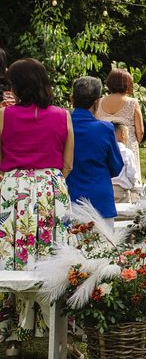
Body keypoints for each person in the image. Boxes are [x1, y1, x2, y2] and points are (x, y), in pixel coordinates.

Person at [0, 58, 73, 345]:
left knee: (10, 255)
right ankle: (55, 327)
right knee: (51, 252)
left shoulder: (3, 116)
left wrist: (16, 178)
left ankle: (12, 331)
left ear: (17, 87)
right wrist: (44, 179)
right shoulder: (62, 115)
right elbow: (68, 163)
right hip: (50, 189)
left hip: (12, 189)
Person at [66, 77, 124, 228]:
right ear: (97, 102)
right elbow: (117, 166)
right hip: (99, 197)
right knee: (104, 249)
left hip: (69, 197)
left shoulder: (62, 126)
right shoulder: (105, 129)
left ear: (72, 99)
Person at [96, 68, 144, 182]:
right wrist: (135, 141)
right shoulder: (132, 103)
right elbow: (140, 130)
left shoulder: (99, 102)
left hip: (106, 146)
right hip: (128, 145)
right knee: (131, 180)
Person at [112, 122, 139, 203]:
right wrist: (133, 183)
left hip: (106, 189)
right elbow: (132, 173)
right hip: (121, 191)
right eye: (128, 133)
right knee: (123, 213)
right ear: (123, 134)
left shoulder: (105, 151)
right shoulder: (127, 152)